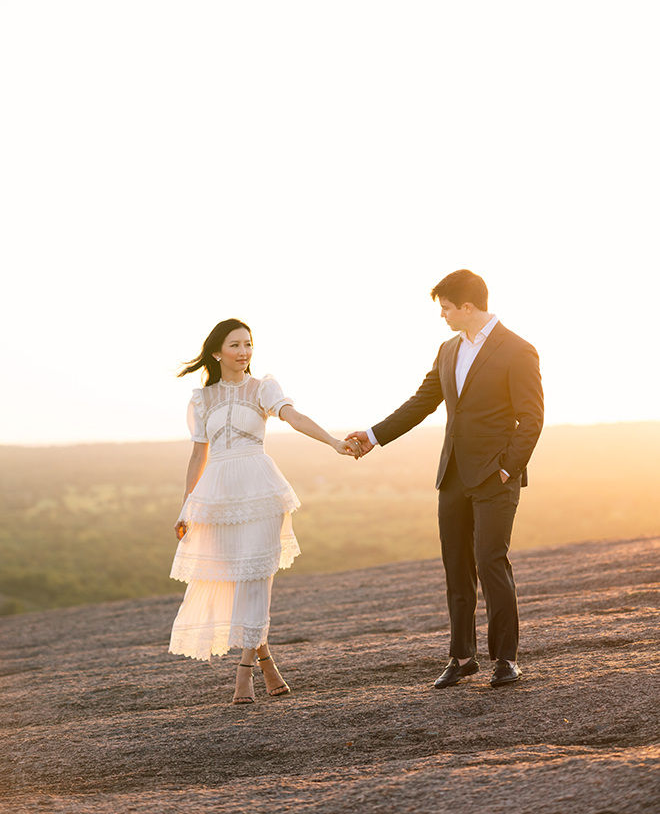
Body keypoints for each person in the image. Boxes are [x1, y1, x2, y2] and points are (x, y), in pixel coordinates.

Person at [348, 270, 543, 688]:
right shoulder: (447, 350)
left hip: (495, 476)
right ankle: (461, 657)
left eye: (446, 307)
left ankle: (505, 660)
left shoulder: (518, 350)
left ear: (467, 307)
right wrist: (372, 436)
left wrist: (508, 467)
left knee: (491, 562)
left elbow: (532, 418)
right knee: (456, 567)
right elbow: (422, 402)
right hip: (452, 474)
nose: (442, 315)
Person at [169, 318, 358, 704]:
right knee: (239, 580)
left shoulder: (263, 387)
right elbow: (197, 456)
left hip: (261, 489)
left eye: (249, 344)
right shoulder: (201, 399)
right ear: (217, 351)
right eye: (235, 345)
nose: (244, 352)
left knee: (256, 578)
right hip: (218, 497)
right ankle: (268, 662)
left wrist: (333, 442)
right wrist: (187, 505)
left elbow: (294, 417)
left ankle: (243, 675)